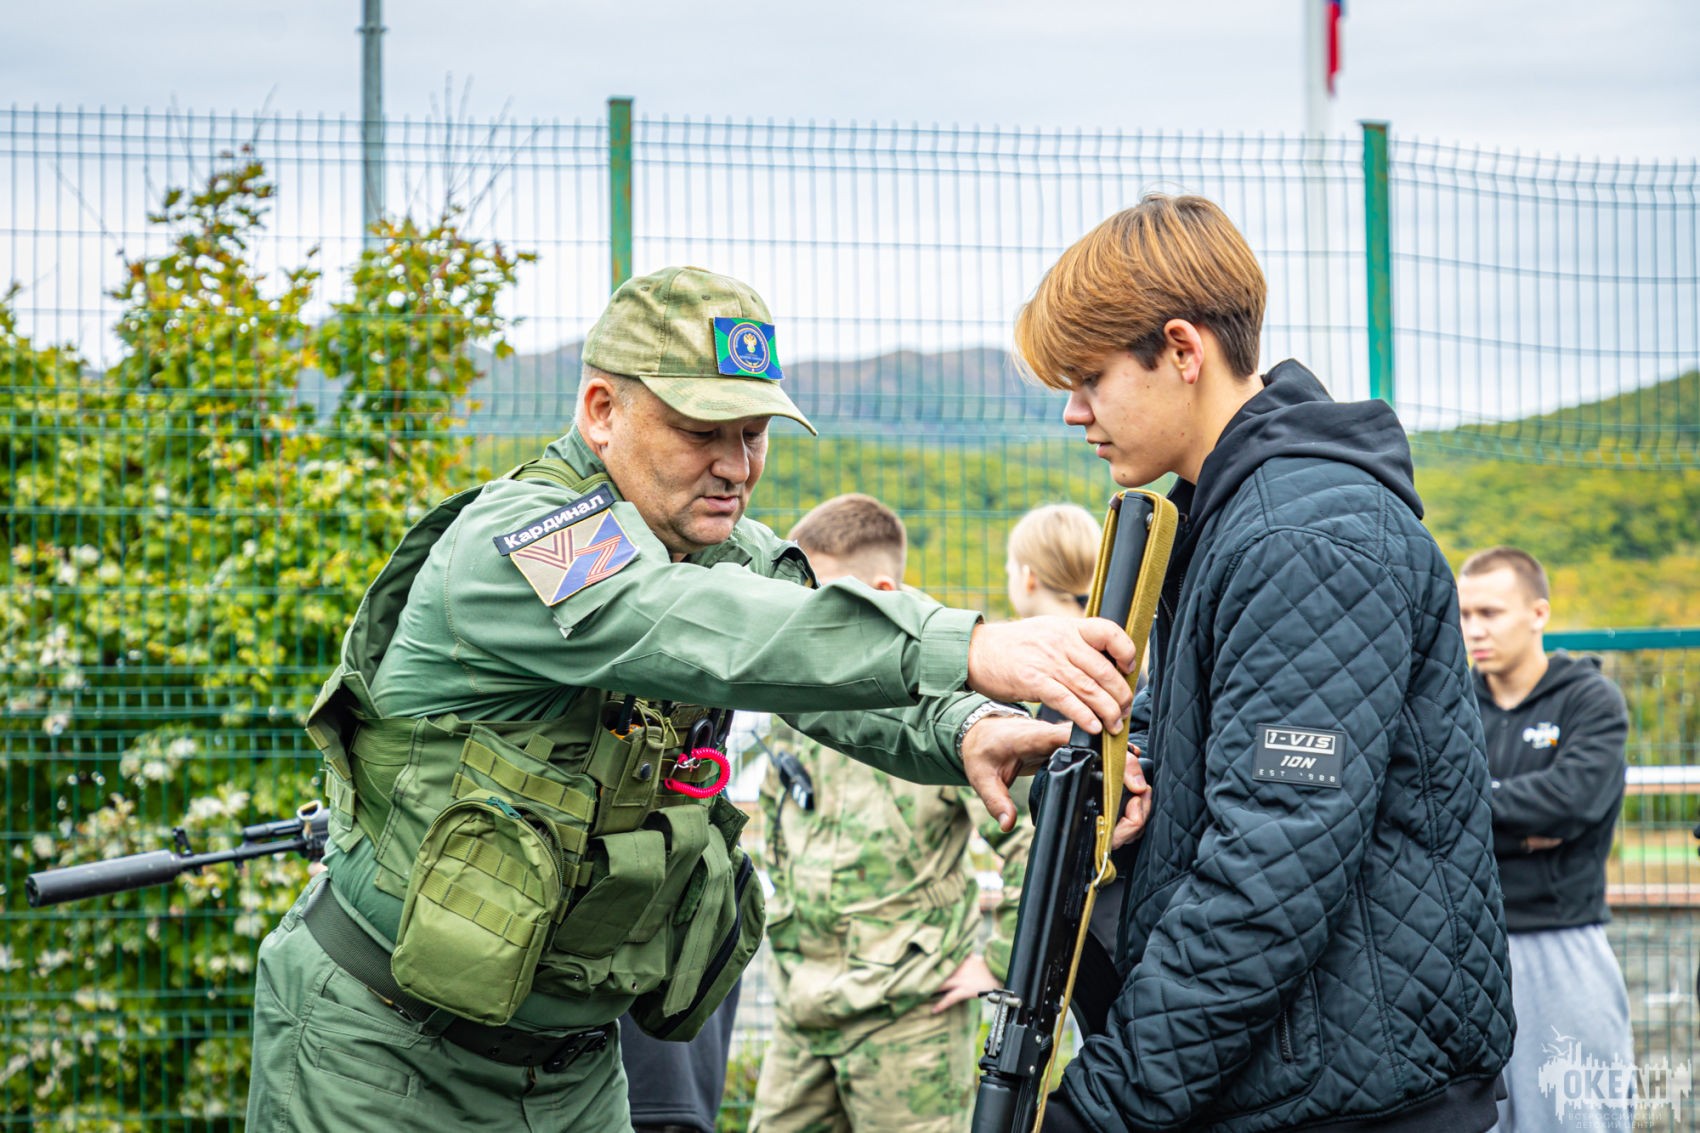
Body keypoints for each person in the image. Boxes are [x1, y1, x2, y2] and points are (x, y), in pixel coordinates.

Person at [243, 265, 1141, 1133]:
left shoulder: (712, 546)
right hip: (383, 1054)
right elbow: (700, 624)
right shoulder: (533, 541)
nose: (735, 466)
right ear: (603, 411)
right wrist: (967, 645)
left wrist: (967, 728)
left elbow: (816, 670)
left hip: (573, 1069)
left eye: (753, 434)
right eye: (701, 431)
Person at [1013, 195, 1515, 1132]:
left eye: (1089, 378)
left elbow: (1270, 869)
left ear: (1182, 349)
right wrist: (1139, 768)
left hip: (1351, 1100)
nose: (1075, 413)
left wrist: (1104, 1105)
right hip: (1306, 1080)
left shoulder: (1303, 537)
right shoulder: (1231, 516)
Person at [749, 493, 1033, 1133]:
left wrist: (997, 961)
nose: (807, 621)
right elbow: (778, 817)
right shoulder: (800, 697)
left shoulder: (951, 709)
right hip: (806, 1007)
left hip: (909, 1019)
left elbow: (1029, 840)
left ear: (881, 595)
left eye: (825, 602)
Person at [1457, 546, 1634, 1132]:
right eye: (1465, 614)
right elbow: (1420, 803)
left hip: (1560, 946)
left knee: (1576, 1119)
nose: (1475, 630)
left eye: (1491, 612)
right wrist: (1522, 825)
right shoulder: (1451, 702)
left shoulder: (1589, 698)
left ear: (1538, 613)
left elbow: (1571, 803)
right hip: (1464, 947)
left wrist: (1472, 812)